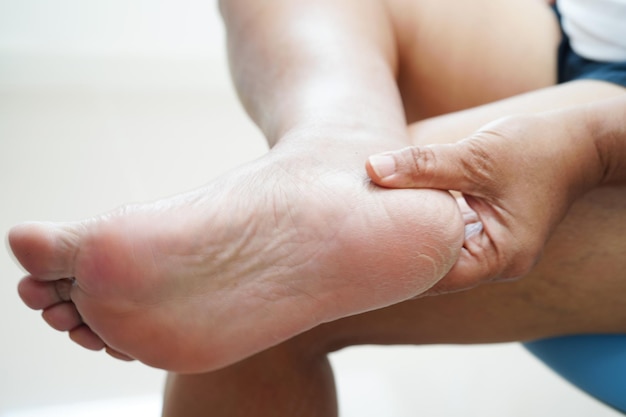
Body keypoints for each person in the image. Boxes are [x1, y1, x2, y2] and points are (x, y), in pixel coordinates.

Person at [7, 0, 626, 414]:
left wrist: (590, 146)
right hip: (580, 32)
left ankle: (333, 201)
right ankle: (333, 147)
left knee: (274, 313)